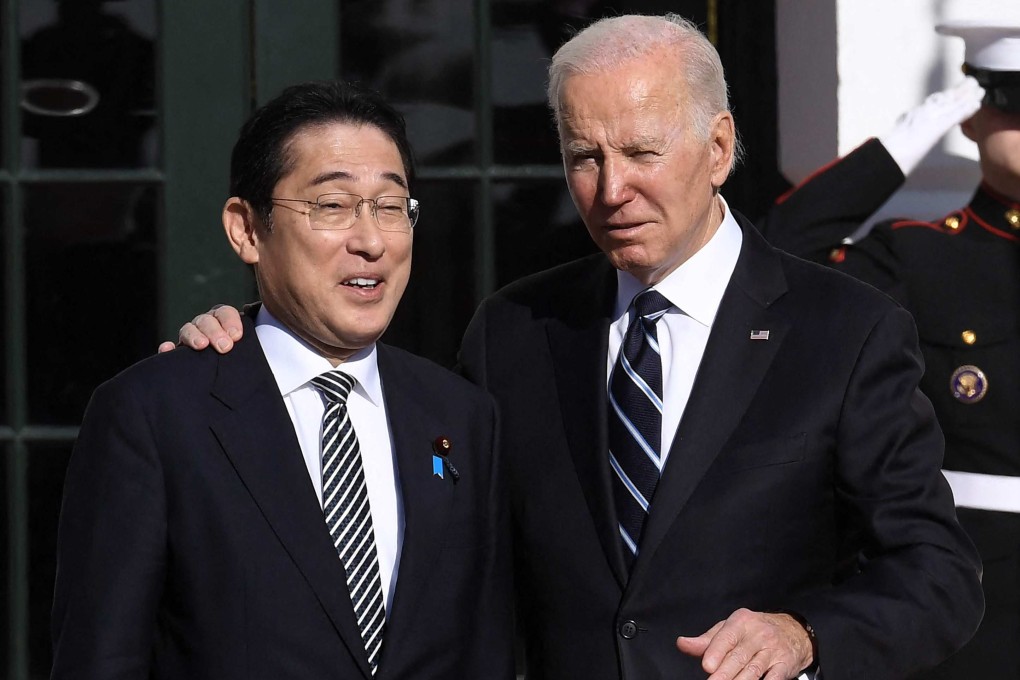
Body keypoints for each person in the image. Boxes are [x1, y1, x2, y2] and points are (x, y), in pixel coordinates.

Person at [168, 15, 984, 680]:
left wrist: (805, 635)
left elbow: (938, 575)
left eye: (640, 152)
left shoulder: (845, 330)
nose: (611, 189)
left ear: (720, 146)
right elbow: (419, 507)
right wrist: (259, 349)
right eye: (584, 157)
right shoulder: (518, 329)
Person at [51, 80, 513, 679]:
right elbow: (101, 659)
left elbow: (485, 651)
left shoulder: (460, 418)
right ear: (247, 229)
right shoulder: (153, 416)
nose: (370, 241)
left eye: (391, 207)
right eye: (332, 206)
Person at [759, 20, 1020, 680]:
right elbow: (777, 260)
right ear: (973, 116)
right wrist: (901, 146)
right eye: (1016, 103)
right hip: (980, 592)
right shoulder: (923, 256)